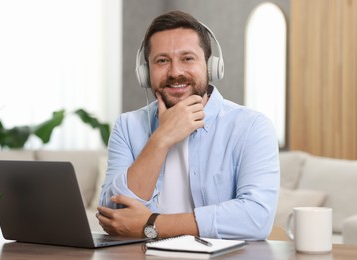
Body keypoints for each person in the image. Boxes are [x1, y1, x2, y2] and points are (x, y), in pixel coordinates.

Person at [96, 10, 280, 241]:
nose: (175, 72)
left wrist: (152, 224)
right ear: (145, 73)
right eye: (162, 60)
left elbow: (256, 218)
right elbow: (115, 217)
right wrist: (161, 139)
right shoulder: (127, 126)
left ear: (211, 67)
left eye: (187, 58)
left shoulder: (252, 126)